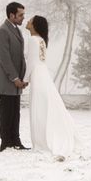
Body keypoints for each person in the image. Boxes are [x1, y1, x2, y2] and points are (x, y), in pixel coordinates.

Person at [24, 15, 76, 160]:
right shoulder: (41, 40)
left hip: (37, 75)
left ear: (34, 25)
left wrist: (24, 79)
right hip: (43, 75)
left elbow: (31, 62)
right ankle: (48, 136)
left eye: (30, 21)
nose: (27, 21)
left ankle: (41, 141)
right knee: (45, 106)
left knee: (38, 107)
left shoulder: (33, 40)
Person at [0, 2, 30, 152]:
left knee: (15, 112)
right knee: (7, 112)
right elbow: (5, 58)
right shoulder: (2, 31)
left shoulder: (16, 30)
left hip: (17, 81)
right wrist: (15, 78)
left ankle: (15, 141)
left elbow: (19, 57)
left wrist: (22, 78)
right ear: (11, 15)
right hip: (8, 80)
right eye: (20, 15)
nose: (23, 18)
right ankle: (6, 142)